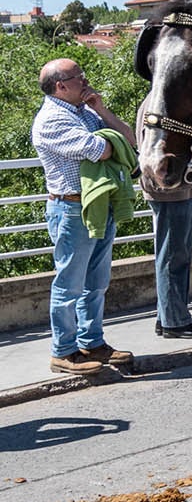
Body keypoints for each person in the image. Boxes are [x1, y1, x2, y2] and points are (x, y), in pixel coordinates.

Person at [31, 58, 136, 375]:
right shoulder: (50, 120)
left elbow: (128, 139)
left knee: (96, 282)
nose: (86, 80)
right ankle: (63, 351)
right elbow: (100, 150)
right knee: (70, 284)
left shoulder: (85, 112)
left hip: (97, 203)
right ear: (61, 86)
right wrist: (112, 143)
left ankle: (92, 342)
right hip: (71, 208)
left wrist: (102, 109)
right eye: (79, 77)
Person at [137, 112, 192, 340]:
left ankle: (170, 315)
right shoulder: (162, 104)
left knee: (174, 253)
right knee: (173, 256)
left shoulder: (159, 102)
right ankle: (175, 321)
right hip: (171, 188)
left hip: (177, 186)